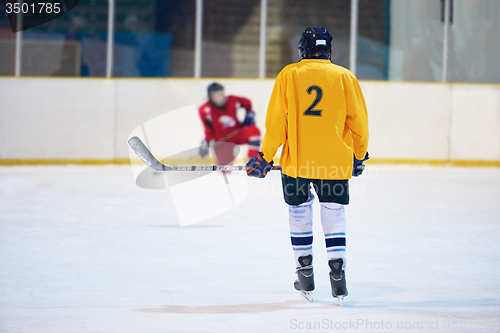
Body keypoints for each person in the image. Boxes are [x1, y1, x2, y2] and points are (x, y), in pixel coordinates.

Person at [246, 27, 369, 305]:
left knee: (299, 213)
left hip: (297, 165)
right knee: (333, 212)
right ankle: (338, 275)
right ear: (329, 50)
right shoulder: (345, 77)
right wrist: (359, 156)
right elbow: (359, 124)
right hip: (334, 165)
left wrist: (265, 157)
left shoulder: (289, 75)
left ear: (303, 49)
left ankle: (305, 274)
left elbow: (276, 126)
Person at [198, 82, 261, 165]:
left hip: (237, 133)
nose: (221, 97)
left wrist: (249, 113)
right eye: (217, 95)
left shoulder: (232, 100)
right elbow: (208, 129)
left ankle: (253, 161)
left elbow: (247, 102)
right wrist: (206, 142)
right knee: (225, 170)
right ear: (210, 97)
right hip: (222, 141)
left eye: (221, 94)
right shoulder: (204, 110)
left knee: (253, 131)